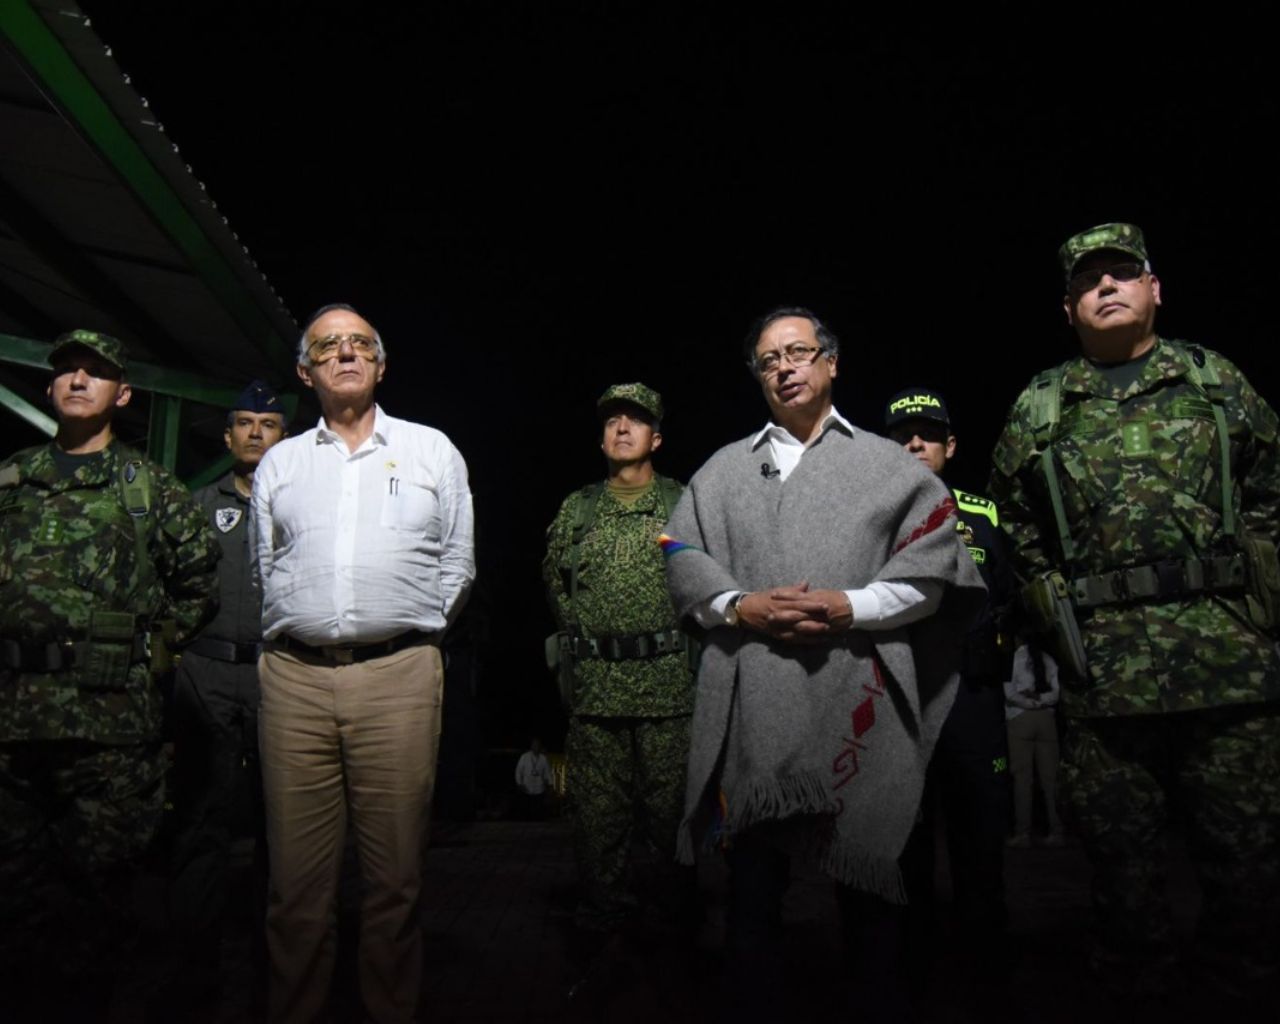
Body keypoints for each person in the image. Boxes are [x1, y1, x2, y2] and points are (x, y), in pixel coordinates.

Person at [662, 307, 985, 1016]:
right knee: (752, 897)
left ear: (831, 363)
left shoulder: (886, 465)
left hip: (859, 697)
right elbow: (679, 554)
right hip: (758, 708)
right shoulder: (721, 471)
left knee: (870, 900)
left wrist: (848, 606)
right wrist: (743, 606)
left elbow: (934, 572)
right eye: (768, 360)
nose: (784, 367)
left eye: (798, 352)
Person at [989, 223, 1280, 1006]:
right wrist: (1057, 606)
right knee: (1121, 871)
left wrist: (1256, 587)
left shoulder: (1215, 381)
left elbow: (1270, 490)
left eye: (1122, 273)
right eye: (1090, 281)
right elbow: (1017, 523)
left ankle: (1242, 989)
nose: (1107, 287)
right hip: (1106, 679)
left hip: (1230, 668)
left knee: (1251, 864)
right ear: (1068, 308)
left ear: (1155, 288)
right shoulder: (1043, 406)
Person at [252, 304, 475, 1024]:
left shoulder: (431, 450)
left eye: (359, 344)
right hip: (294, 681)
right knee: (295, 886)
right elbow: (266, 571)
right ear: (305, 370)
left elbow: (457, 565)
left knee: (394, 881)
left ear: (380, 363)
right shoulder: (282, 461)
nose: (345, 353)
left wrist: (401, 633)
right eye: (328, 346)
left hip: (398, 677)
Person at [0, 330, 220, 1019]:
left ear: (121, 395)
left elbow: (198, 587)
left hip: (110, 731)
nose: (77, 380)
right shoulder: (10, 480)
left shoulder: (149, 490)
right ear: (49, 387)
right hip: (12, 725)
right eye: (66, 370)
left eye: (94, 372)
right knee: (15, 893)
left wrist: (141, 652)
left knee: (99, 898)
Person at [543, 382, 693, 931]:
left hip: (667, 691)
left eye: (635, 420)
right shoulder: (578, 509)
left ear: (656, 438)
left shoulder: (682, 504)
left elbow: (704, 585)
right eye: (612, 421)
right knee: (596, 814)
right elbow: (555, 583)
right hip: (596, 691)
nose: (622, 428)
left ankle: (672, 919)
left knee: (671, 813)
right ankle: (602, 916)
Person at [165, 380, 287, 1007]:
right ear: (227, 435)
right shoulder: (194, 505)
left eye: (268, 424)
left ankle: (277, 974)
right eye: (244, 422)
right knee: (199, 824)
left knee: (281, 830)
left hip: (278, 676)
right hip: (206, 674)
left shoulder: (301, 504)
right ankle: (193, 977)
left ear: (284, 436)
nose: (255, 433)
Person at [884, 387, 1012, 966]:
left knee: (979, 839)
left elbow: (1011, 596)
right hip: (900, 702)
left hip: (972, 698)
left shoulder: (985, 516)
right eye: (903, 436)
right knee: (903, 844)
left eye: (929, 435)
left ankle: (983, 965)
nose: (915, 443)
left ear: (950, 445)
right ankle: (913, 965)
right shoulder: (871, 517)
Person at [1003, 640, 1063, 847]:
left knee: (1022, 780)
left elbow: (1009, 694)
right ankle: (1057, 831)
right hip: (1046, 720)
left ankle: (1023, 833)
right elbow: (1055, 694)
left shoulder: (1012, 659)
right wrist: (1040, 699)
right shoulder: (1048, 659)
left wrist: (1028, 701)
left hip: (1020, 719)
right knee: (1051, 779)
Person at [513, 736, 554, 820]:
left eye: (537, 745)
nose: (536, 747)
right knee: (526, 814)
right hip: (526, 788)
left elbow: (547, 773)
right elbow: (518, 771)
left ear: (540, 746)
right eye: (534, 745)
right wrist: (519, 784)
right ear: (531, 746)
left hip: (539, 789)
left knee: (538, 813)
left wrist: (550, 785)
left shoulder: (543, 758)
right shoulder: (524, 757)